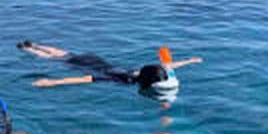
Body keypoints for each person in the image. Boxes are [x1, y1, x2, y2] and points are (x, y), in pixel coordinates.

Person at [18, 41, 202, 92]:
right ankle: (31, 50)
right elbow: (86, 79)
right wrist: (52, 83)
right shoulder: (126, 80)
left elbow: (165, 65)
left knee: (63, 53)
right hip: (88, 67)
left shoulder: (137, 72)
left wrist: (189, 61)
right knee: (58, 59)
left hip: (94, 59)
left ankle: (34, 44)